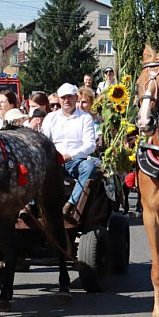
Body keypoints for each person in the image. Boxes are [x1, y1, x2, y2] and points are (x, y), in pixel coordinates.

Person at [42, 83, 98, 220]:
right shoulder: (51, 118)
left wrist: (70, 156)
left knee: (89, 167)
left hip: (75, 161)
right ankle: (31, 205)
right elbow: (43, 141)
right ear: (59, 99)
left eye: (70, 97)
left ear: (75, 98)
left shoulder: (85, 118)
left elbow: (90, 145)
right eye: (63, 98)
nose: (66, 100)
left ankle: (71, 203)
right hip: (54, 161)